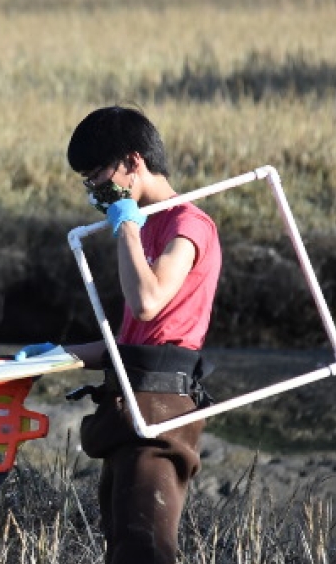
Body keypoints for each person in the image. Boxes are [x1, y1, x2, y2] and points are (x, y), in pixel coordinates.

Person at [17, 106, 221, 564]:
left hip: (160, 413)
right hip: (129, 404)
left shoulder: (187, 225)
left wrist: (127, 226)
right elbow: (133, 342)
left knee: (143, 550)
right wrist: (57, 357)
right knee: (123, 547)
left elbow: (149, 302)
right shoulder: (142, 228)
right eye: (86, 181)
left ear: (133, 162)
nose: (94, 190)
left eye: (98, 176)